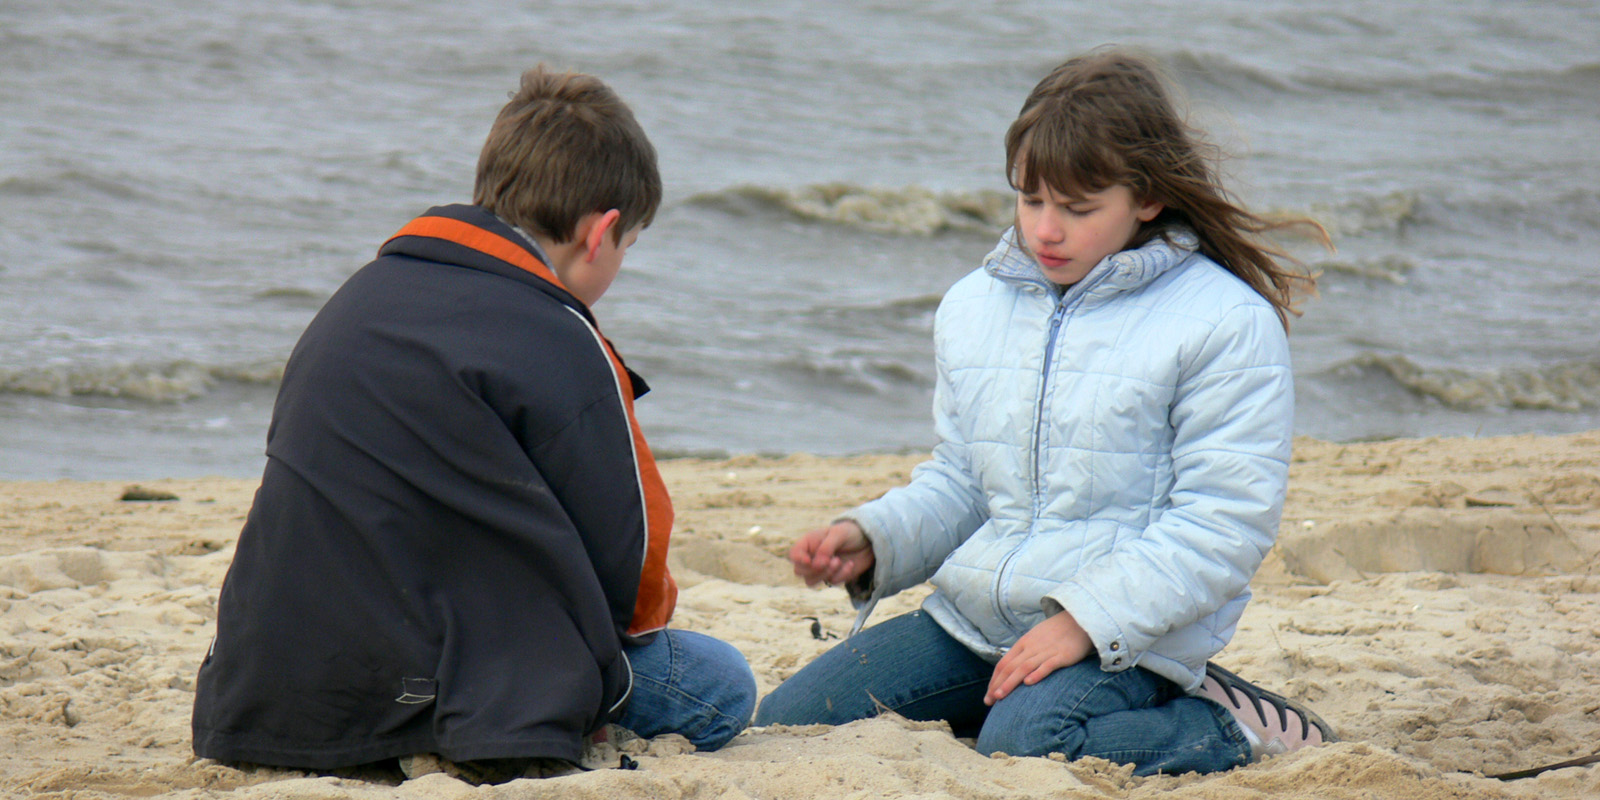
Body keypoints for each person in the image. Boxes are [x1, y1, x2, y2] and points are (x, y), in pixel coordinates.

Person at [754, 48, 1336, 775]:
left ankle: (1222, 724)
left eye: (1078, 208)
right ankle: (1013, 703)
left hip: (1130, 636)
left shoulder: (1223, 322)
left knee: (1023, 744)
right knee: (786, 725)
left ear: (1147, 198)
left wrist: (1083, 624)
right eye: (1031, 200)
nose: (1046, 231)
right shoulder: (975, 305)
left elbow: (1223, 523)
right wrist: (874, 538)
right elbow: (966, 483)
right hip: (974, 623)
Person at [191, 66, 755, 783]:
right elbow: (635, 575)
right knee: (719, 683)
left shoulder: (356, 299)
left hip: (270, 689)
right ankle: (427, 733)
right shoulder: (561, 335)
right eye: (627, 248)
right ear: (601, 232)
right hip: (462, 693)